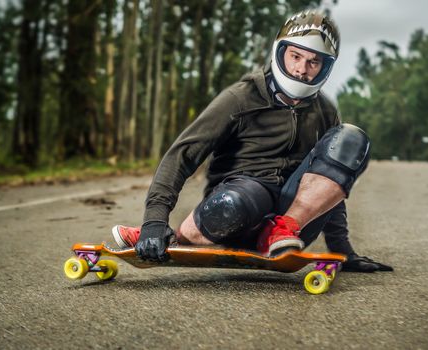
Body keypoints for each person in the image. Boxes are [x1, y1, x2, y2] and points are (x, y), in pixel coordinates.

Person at [112, 10, 392, 273]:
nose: (301, 69)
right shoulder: (240, 98)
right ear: (279, 52)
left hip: (291, 231)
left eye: (313, 62)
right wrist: (154, 220)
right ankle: (169, 237)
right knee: (235, 202)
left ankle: (279, 229)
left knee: (351, 138)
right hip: (236, 212)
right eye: (295, 56)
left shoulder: (325, 111)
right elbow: (182, 155)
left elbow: (330, 184)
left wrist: (343, 252)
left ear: (325, 67)